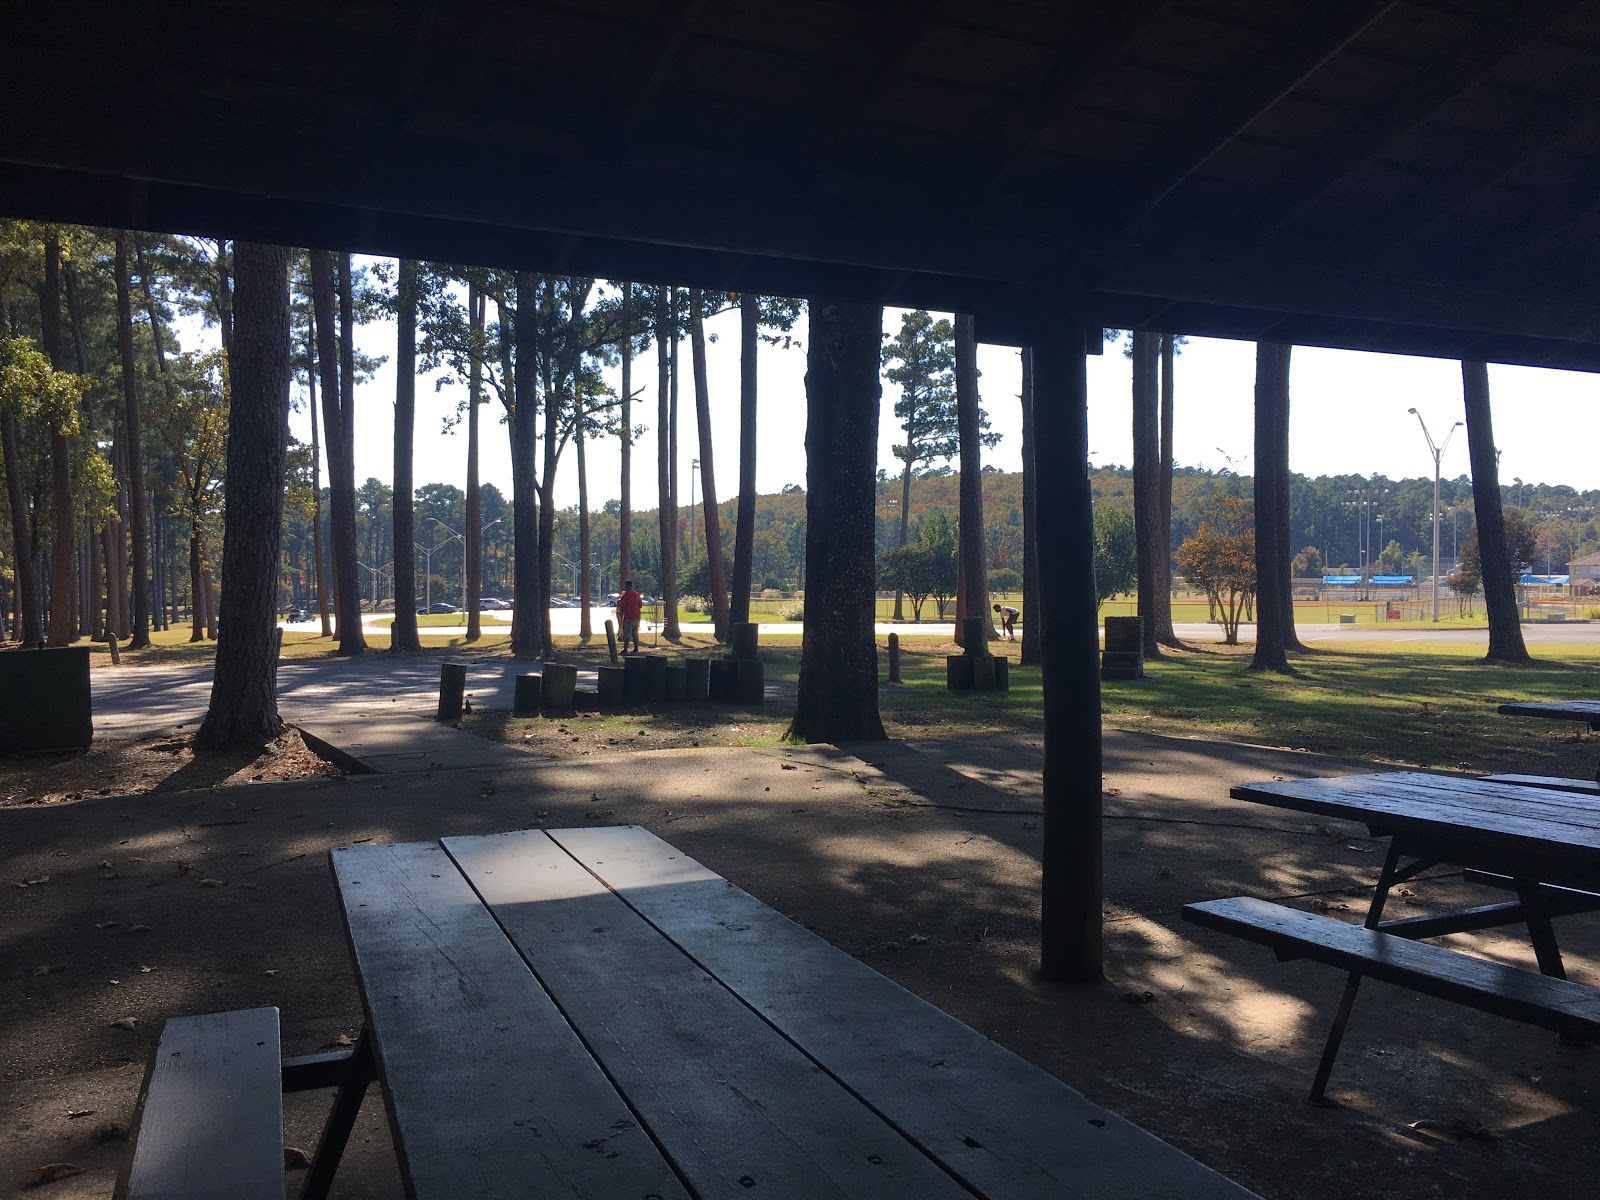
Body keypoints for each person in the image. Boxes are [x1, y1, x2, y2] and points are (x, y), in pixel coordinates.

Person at [616, 579, 644, 653]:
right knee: (635, 632)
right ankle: (636, 648)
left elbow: (623, 607)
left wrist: (620, 612)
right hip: (637, 616)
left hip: (628, 616)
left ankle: (625, 649)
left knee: (627, 633)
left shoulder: (625, 596)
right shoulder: (636, 594)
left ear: (626, 586)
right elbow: (640, 605)